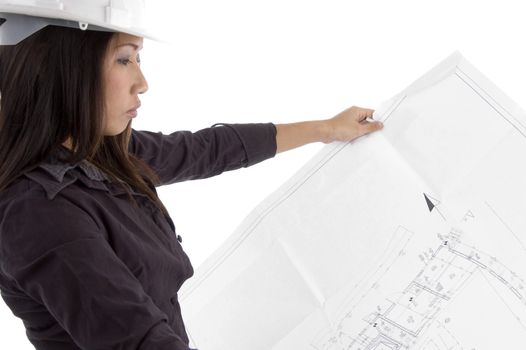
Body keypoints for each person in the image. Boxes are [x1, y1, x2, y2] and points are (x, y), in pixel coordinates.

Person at [0, 3, 383, 350]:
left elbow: (206, 149)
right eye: (124, 59)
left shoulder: (97, 153)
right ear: (63, 69)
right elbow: (136, 340)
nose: (142, 82)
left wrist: (326, 129)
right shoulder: (37, 214)